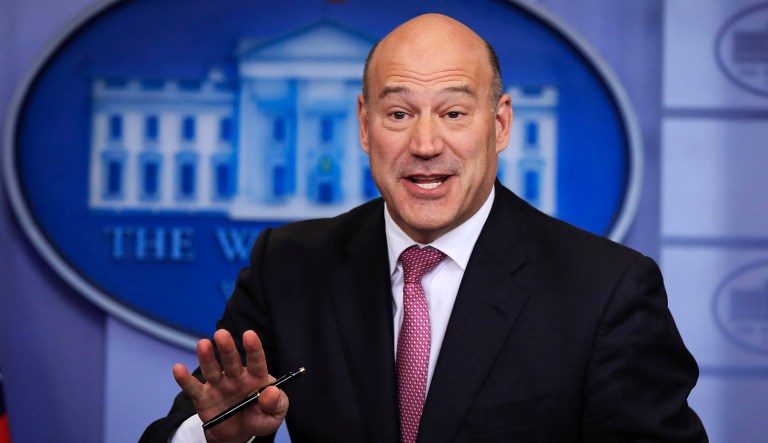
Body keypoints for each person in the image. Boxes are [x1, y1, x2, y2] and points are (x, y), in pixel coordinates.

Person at [141, 13, 707, 443]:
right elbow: (196, 420)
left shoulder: (605, 290)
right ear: (365, 126)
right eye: (399, 114)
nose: (426, 145)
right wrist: (214, 437)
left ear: (501, 123)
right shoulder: (289, 266)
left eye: (454, 113)